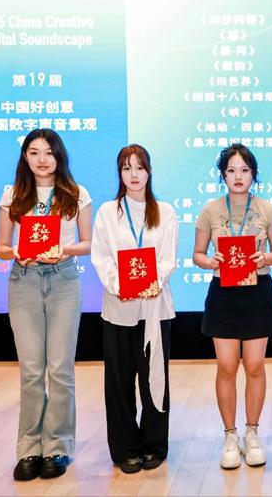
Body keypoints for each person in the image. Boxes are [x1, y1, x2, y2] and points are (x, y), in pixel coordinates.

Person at [0, 129, 92, 481]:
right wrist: (17, 252)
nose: (42, 159)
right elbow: (2, 247)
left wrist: (63, 250)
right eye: (34, 152)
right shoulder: (13, 195)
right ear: (25, 157)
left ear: (59, 156)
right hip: (24, 281)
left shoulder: (76, 193)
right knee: (32, 370)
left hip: (64, 281)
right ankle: (29, 449)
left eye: (49, 152)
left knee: (60, 369)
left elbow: (88, 243)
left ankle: (57, 446)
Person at [193, 144, 272, 469]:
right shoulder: (210, 211)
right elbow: (198, 255)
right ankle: (230, 436)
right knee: (227, 366)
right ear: (223, 175)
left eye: (244, 170)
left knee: (255, 365)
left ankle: (252, 433)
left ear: (253, 174)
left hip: (258, 293)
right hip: (224, 294)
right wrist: (210, 261)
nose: (238, 176)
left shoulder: (267, 209)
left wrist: (265, 257)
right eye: (231, 170)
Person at [91, 144, 177, 474]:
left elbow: (168, 257)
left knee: (155, 376)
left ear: (149, 171)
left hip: (156, 308)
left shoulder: (165, 212)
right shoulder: (107, 212)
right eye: (127, 168)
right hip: (119, 309)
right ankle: (125, 448)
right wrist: (119, 286)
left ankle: (154, 445)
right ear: (120, 174)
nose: (134, 175)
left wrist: (152, 281)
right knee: (119, 381)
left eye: (139, 167)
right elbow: (101, 257)